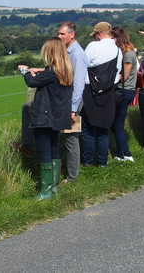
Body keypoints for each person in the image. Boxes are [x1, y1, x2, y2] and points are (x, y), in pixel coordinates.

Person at [17, 37, 73, 200]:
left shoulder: (51, 71)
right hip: (58, 115)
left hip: (45, 115)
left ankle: (45, 191)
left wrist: (25, 72)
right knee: (54, 148)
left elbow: (33, 82)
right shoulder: (66, 69)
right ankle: (53, 186)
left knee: (44, 150)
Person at [80, 22, 122, 167]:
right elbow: (117, 74)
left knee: (87, 128)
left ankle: (88, 161)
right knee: (103, 129)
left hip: (90, 90)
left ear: (98, 33)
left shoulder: (92, 46)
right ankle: (102, 162)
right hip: (109, 92)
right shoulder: (117, 50)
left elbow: (82, 66)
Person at [57, 21, 87, 184]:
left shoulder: (77, 54)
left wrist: (73, 109)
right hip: (67, 101)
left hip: (72, 103)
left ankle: (73, 176)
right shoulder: (68, 51)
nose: (59, 36)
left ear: (72, 34)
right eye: (59, 34)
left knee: (71, 136)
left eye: (62, 34)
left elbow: (78, 83)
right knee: (67, 136)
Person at [110, 26, 136, 162]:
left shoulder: (128, 54)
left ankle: (127, 153)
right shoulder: (126, 53)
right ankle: (120, 154)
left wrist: (107, 76)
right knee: (115, 124)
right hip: (124, 91)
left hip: (124, 91)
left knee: (117, 125)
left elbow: (124, 76)